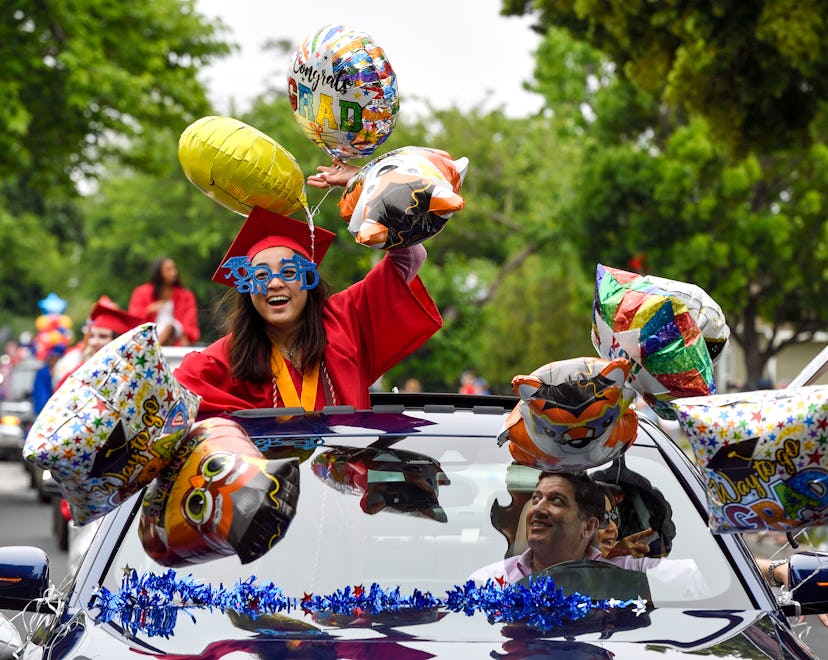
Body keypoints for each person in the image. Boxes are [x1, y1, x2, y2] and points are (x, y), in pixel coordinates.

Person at [173, 162, 443, 413]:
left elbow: (409, 255)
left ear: (308, 281)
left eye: (289, 272)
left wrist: (366, 184)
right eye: (261, 275)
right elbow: (170, 402)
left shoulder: (345, 320)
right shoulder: (227, 358)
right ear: (247, 287)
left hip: (346, 463)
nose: (275, 283)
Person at [128, 257, 200, 346]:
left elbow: (190, 319)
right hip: (151, 333)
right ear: (159, 272)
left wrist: (185, 334)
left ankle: (154, 347)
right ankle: (155, 346)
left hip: (176, 332)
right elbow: (133, 316)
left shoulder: (186, 295)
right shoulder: (142, 292)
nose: (174, 272)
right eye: (168, 269)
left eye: (174, 268)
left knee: (170, 326)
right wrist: (149, 310)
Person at [31, 345, 65, 415]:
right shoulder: (43, 373)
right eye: (51, 358)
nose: (52, 360)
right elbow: (41, 395)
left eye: (55, 358)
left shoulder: (64, 371)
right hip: (46, 410)